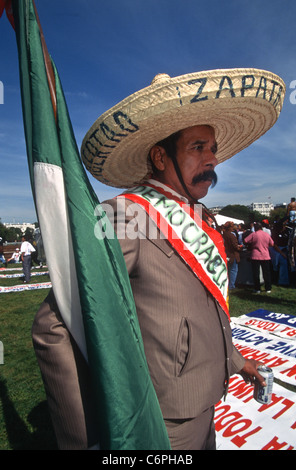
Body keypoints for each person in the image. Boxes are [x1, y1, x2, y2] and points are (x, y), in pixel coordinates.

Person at [32, 68, 285, 450]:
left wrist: (237, 362)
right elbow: (55, 326)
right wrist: (89, 436)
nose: (212, 159)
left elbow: (200, 313)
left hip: (207, 401)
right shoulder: (125, 216)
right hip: (162, 420)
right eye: (198, 147)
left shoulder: (198, 216)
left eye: (213, 148)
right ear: (159, 156)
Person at [244, 222, 275, 293]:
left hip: (255, 255)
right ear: (261, 228)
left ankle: (257, 288)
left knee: (256, 273)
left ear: (255, 228)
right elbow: (272, 244)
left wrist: (252, 243)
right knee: (266, 272)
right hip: (265, 255)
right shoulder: (266, 234)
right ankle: (268, 288)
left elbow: (245, 241)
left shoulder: (253, 234)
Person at [222, 221, 242, 289]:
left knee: (228, 270)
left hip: (226, 254)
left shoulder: (223, 234)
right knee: (233, 270)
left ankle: (228, 284)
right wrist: (240, 247)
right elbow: (235, 246)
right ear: (230, 227)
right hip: (233, 255)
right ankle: (231, 285)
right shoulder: (231, 236)